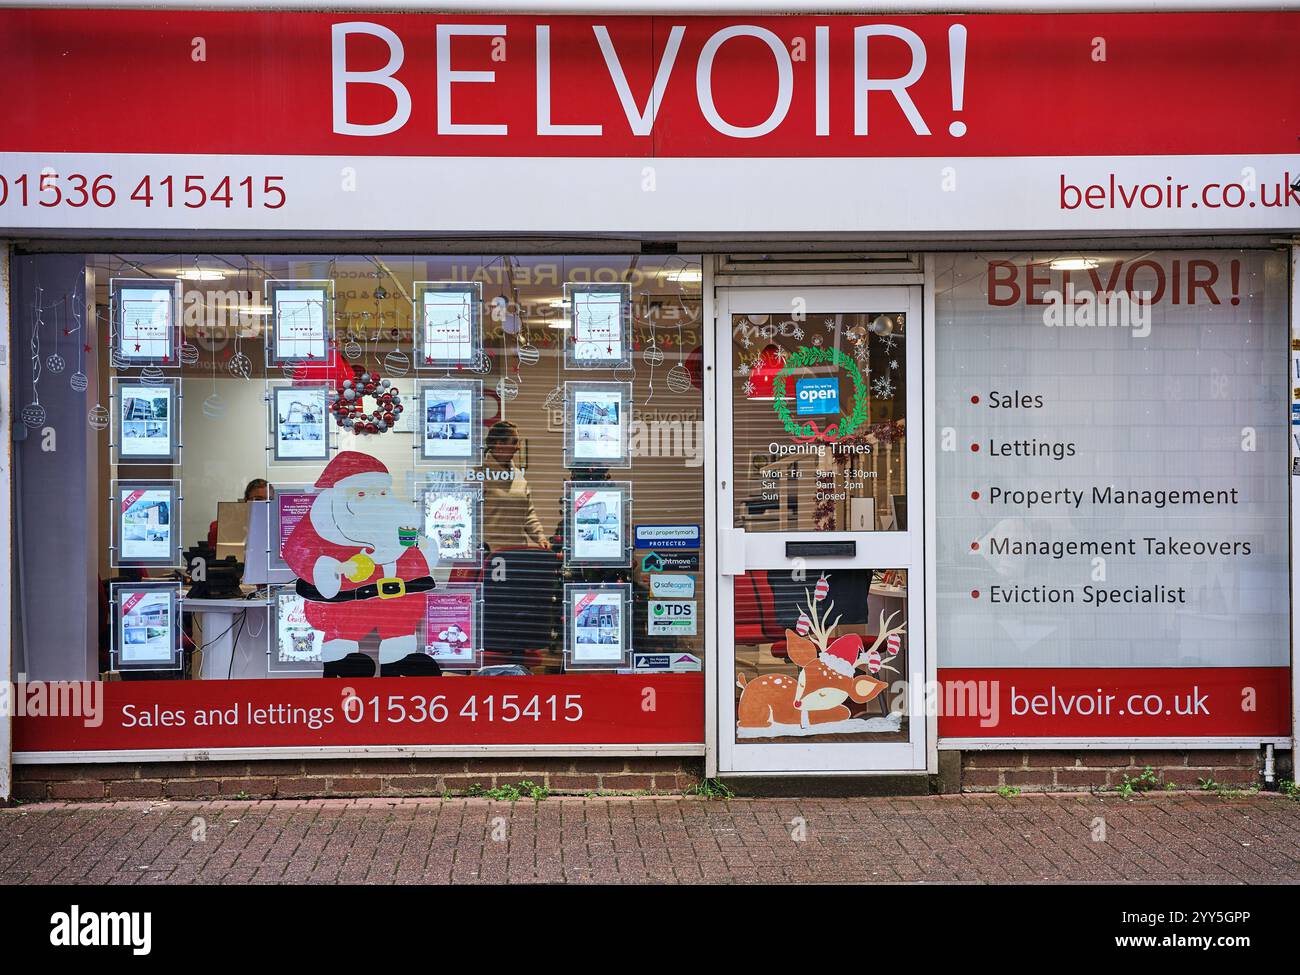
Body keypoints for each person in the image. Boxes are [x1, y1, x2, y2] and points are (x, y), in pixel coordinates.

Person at [482, 421, 548, 552]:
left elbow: (528, 514)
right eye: (514, 442)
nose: (518, 447)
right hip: (490, 556)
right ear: (499, 444)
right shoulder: (479, 475)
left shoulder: (519, 476)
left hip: (517, 553)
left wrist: (541, 538)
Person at [207, 478, 269, 548]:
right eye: (258, 500)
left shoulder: (279, 526)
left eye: (270, 500)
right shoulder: (220, 528)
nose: (265, 504)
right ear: (246, 501)